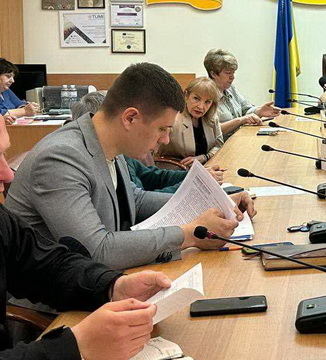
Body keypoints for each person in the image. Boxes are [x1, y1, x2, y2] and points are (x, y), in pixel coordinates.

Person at [6, 63, 255, 271]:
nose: (165, 139)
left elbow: (134, 200)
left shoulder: (106, 144)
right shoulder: (60, 158)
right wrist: (189, 234)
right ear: (130, 118)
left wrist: (217, 201)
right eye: (162, 129)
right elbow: (97, 251)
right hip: (52, 304)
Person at [0, 116, 172, 360]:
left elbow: (45, 264)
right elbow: (99, 248)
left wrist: (112, 286)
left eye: (4, 154)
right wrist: (77, 346)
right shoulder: (59, 155)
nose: (8, 174)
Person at [71, 91, 226, 193]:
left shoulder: (120, 154)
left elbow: (151, 176)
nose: (165, 139)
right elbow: (140, 201)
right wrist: (195, 184)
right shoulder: (85, 164)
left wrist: (195, 176)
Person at [204, 48, 279, 138]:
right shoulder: (205, 95)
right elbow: (212, 131)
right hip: (222, 145)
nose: (232, 77)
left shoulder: (231, 89)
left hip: (239, 139)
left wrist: (259, 111)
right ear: (213, 74)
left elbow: (245, 110)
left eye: (233, 72)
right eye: (228, 73)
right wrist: (240, 120)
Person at [157, 77, 224, 167]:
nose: (201, 106)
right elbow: (154, 151)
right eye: (196, 99)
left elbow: (219, 146)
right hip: (174, 169)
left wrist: (205, 157)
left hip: (205, 168)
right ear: (186, 96)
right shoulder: (173, 120)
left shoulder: (212, 118)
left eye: (207, 102)